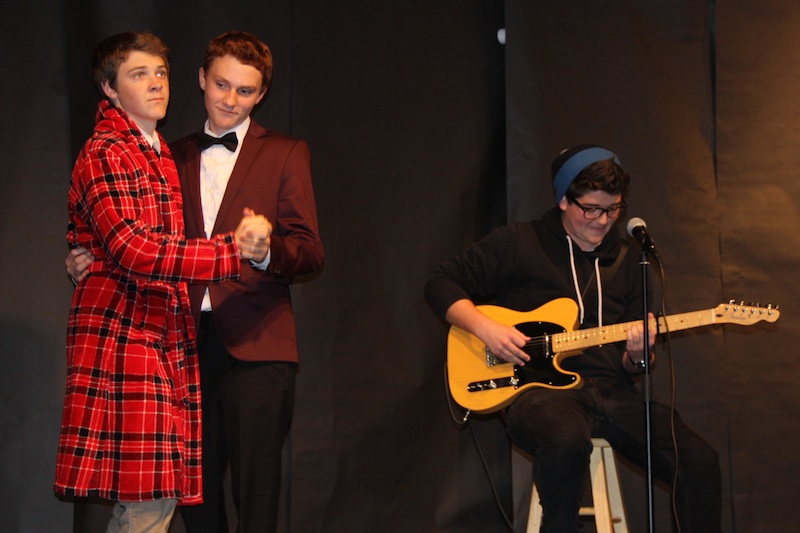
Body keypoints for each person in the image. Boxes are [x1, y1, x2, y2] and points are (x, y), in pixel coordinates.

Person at [68, 31, 324, 532]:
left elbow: (310, 251)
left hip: (257, 343)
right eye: (222, 85)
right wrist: (87, 257)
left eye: (245, 91)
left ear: (262, 95)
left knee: (257, 490)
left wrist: (266, 249)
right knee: (190, 492)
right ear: (202, 80)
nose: (230, 100)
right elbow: (131, 237)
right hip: (178, 345)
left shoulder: (287, 152)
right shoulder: (167, 152)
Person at [424, 145, 721, 532]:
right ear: (564, 199)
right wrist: (487, 329)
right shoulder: (519, 242)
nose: (602, 221)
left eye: (613, 209)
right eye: (591, 209)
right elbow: (439, 283)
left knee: (698, 458)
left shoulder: (631, 260)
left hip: (612, 392)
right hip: (537, 393)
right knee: (564, 439)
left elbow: (634, 366)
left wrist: (638, 353)